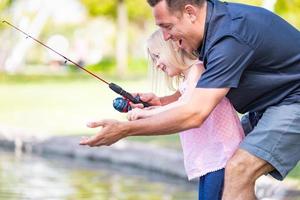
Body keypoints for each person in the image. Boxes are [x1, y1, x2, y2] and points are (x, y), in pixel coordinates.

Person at [80, 1, 300, 199]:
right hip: (272, 103)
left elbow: (195, 113)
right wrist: (161, 102)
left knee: (238, 168)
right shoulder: (212, 33)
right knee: (230, 164)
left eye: (167, 26)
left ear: (190, 12)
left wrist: (125, 130)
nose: (165, 37)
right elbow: (196, 95)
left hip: (294, 99)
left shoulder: (229, 37)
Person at [127, 29, 244, 199]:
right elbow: (180, 101)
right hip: (211, 159)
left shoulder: (197, 69)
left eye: (157, 56)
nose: (157, 64)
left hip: (221, 156)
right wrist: (154, 107)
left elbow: (186, 104)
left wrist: (148, 114)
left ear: (173, 47)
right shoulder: (188, 78)